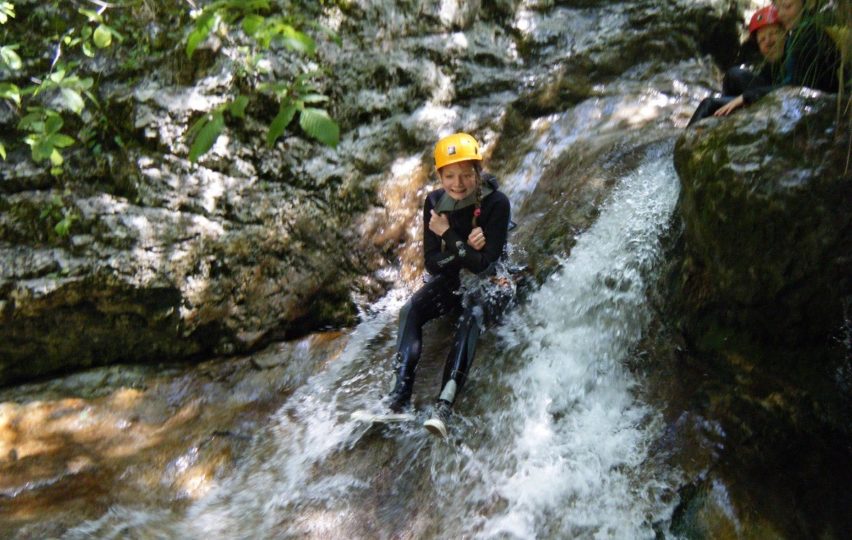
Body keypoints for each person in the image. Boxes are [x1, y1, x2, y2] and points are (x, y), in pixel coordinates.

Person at [386, 132, 513, 438]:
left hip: (494, 281)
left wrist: (451, 238)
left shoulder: (497, 203)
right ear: (440, 176)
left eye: (466, 175)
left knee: (472, 316)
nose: (458, 184)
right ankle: (397, 398)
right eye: (450, 176)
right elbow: (432, 263)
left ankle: (443, 407)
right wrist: (463, 250)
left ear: (477, 173)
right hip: (454, 279)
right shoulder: (434, 202)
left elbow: (486, 266)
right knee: (411, 310)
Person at [688, 4, 786, 126]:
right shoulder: (772, 65)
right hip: (768, 94)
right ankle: (728, 118)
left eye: (772, 34)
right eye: (762, 40)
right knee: (733, 74)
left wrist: (746, 97)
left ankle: (684, 142)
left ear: (785, 32)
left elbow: (794, 86)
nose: (768, 42)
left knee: (708, 104)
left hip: (780, 98)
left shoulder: (798, 52)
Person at [774, 0, 841, 94]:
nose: (780, 14)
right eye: (777, 9)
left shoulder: (805, 35)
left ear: (808, 4)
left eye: (787, 6)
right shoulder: (816, 30)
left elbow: (795, 86)